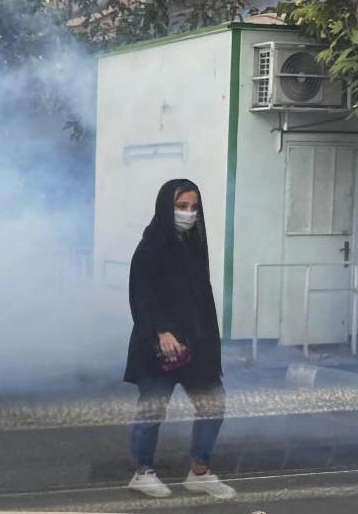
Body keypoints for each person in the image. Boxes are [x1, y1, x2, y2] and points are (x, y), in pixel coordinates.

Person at [123, 179, 235, 500]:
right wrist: (161, 331)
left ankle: (199, 472)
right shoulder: (150, 247)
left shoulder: (194, 243)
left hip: (196, 343)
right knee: (152, 411)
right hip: (161, 346)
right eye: (181, 206)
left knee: (213, 404)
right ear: (165, 208)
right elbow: (141, 295)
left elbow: (200, 296)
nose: (189, 213)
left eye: (193, 207)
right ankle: (143, 472)